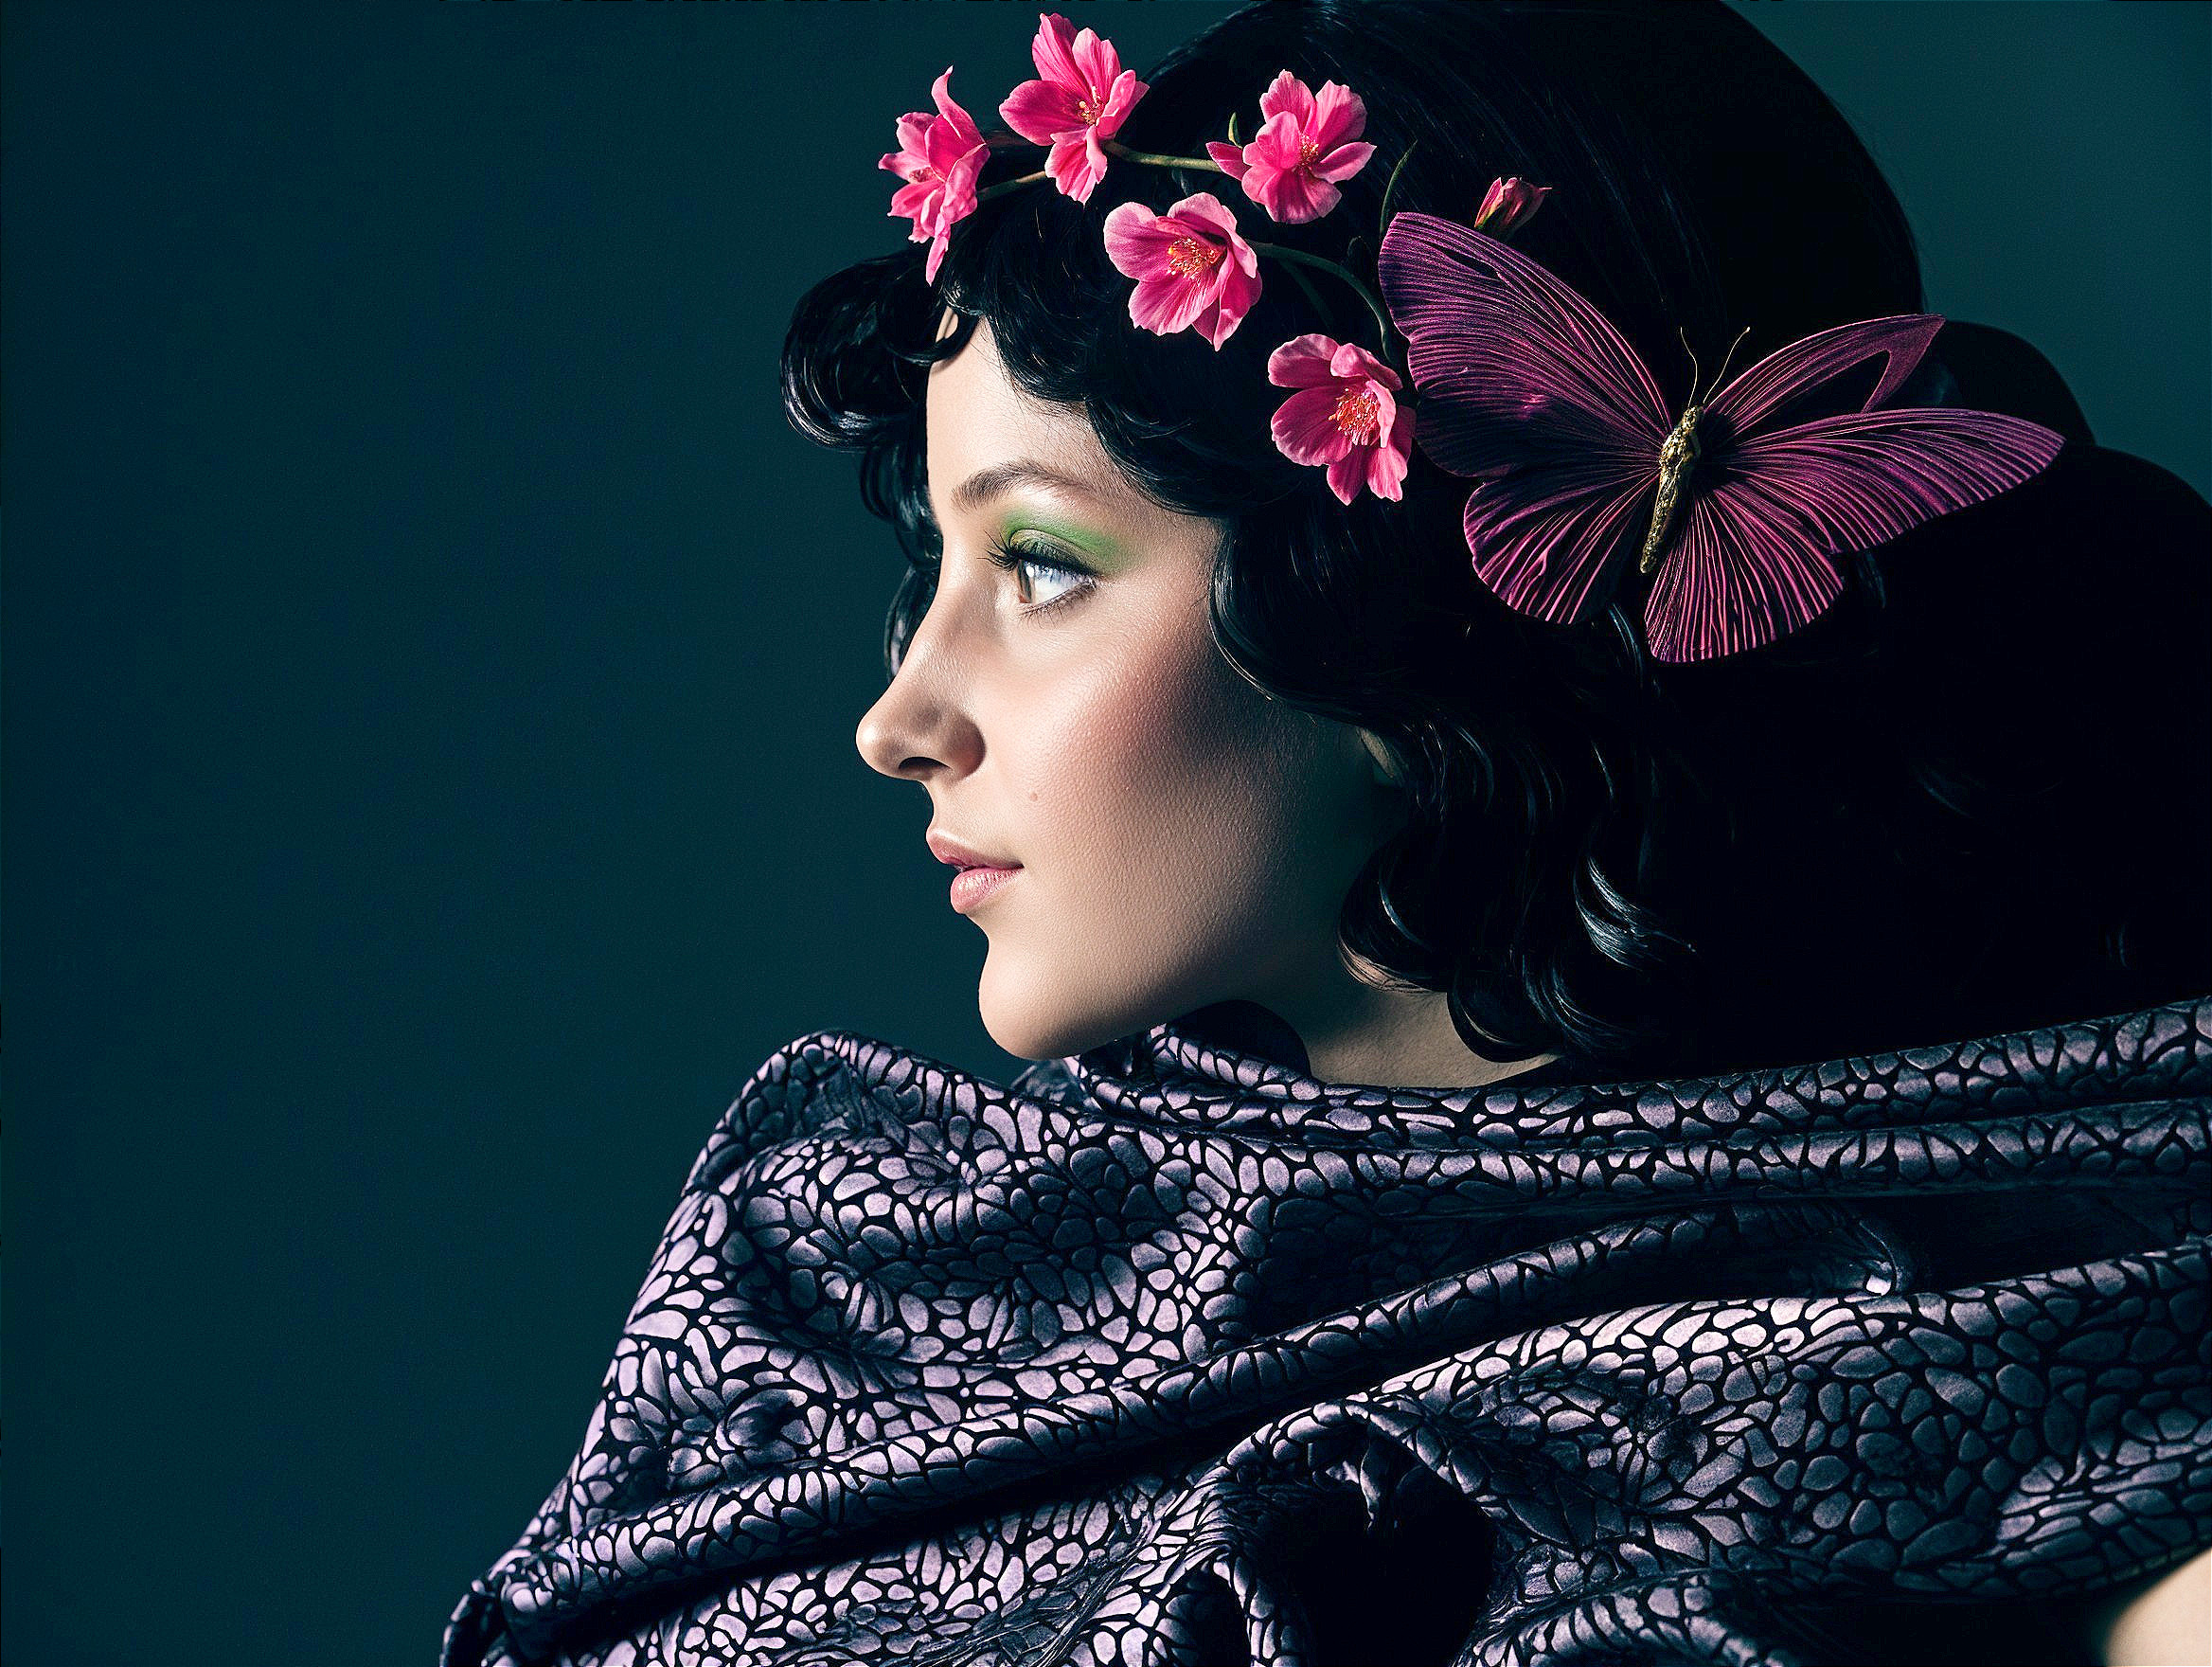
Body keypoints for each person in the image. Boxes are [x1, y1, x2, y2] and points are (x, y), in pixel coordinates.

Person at [444, 4, 2211, 1662]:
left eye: (1045, 566)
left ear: (1391, 603)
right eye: (935, 574)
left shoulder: (2049, 1345)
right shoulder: (878, 1272)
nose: (899, 721)